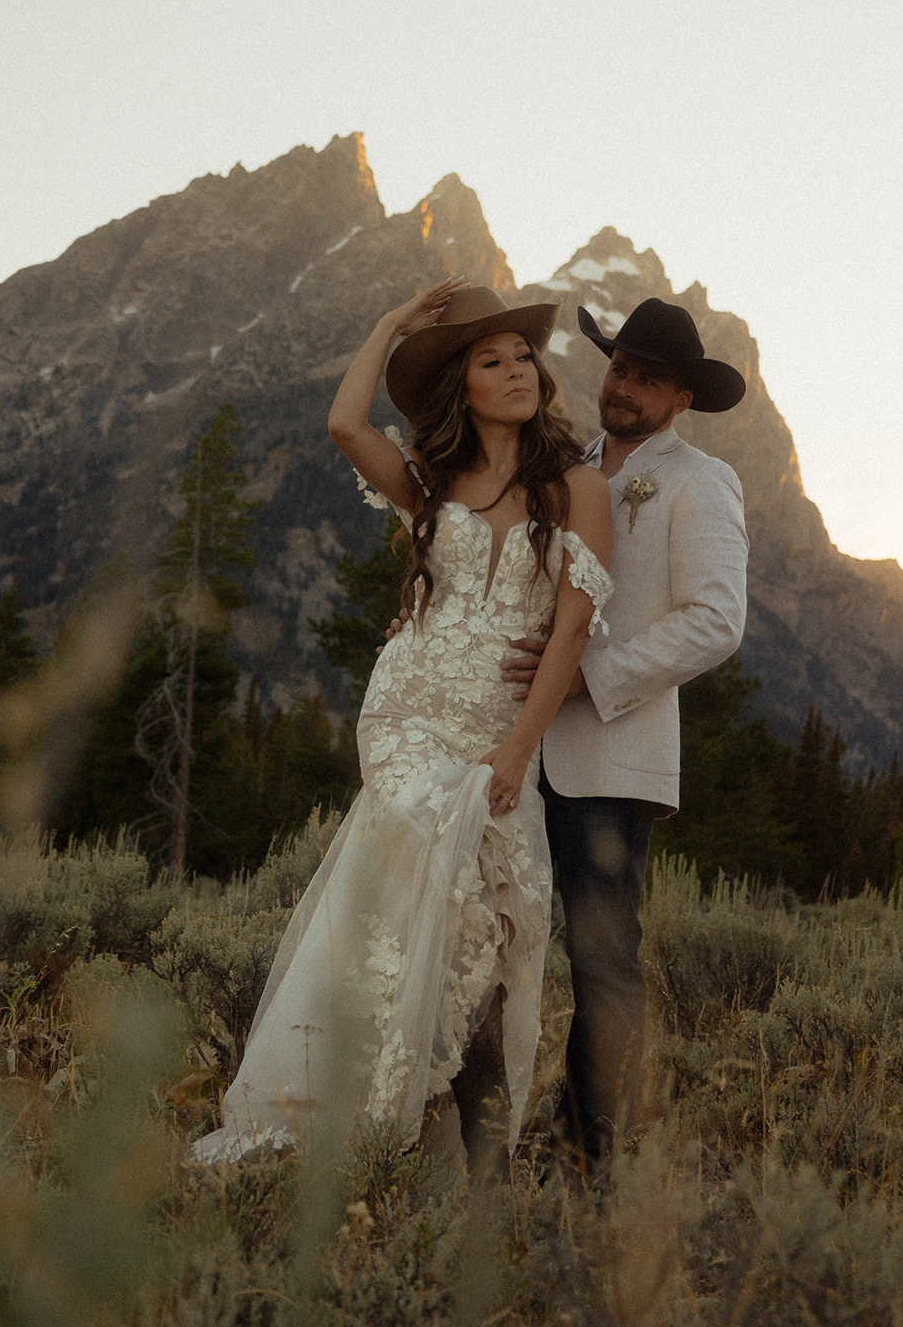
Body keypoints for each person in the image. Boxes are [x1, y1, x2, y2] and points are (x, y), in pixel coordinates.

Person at [191, 279, 613, 1179]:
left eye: (522, 358)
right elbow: (346, 426)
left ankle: (441, 1155)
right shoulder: (435, 484)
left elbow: (573, 628)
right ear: (460, 390)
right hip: (408, 716)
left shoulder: (578, 486)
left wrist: (517, 747)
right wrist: (389, 325)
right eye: (489, 362)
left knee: (482, 936)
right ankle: (353, 1133)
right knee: (396, 917)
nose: (514, 372)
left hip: (497, 732)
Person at [502, 297, 749, 1187]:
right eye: (618, 367)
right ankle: (495, 1131)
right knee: (497, 941)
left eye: (647, 376)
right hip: (513, 744)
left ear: (681, 396)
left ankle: (587, 1160)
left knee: (601, 961)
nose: (625, 385)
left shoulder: (699, 481)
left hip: (611, 754)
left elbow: (717, 621)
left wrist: (587, 675)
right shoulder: (563, 465)